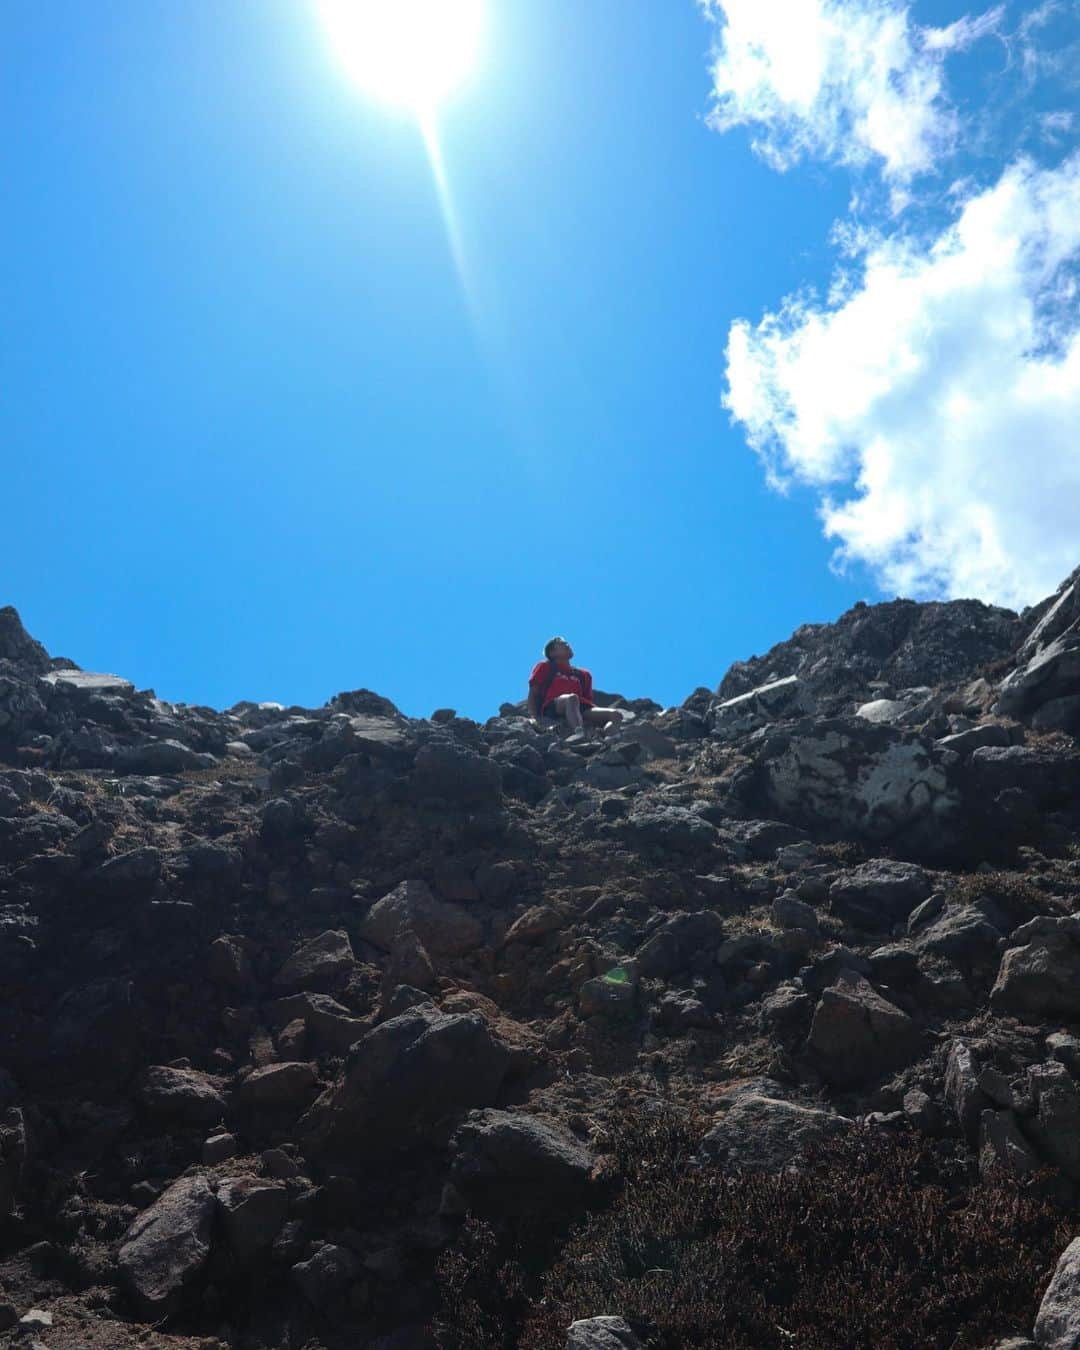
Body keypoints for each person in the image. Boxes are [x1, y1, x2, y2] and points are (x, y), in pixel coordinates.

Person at [527, 637, 624, 736]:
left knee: (616, 715)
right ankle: (579, 733)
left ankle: (606, 738)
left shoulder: (584, 674)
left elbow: (588, 700)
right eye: (562, 644)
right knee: (572, 698)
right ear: (552, 653)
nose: (567, 645)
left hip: (581, 708)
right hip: (554, 706)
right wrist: (535, 717)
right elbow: (533, 693)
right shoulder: (545, 666)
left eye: (567, 643)